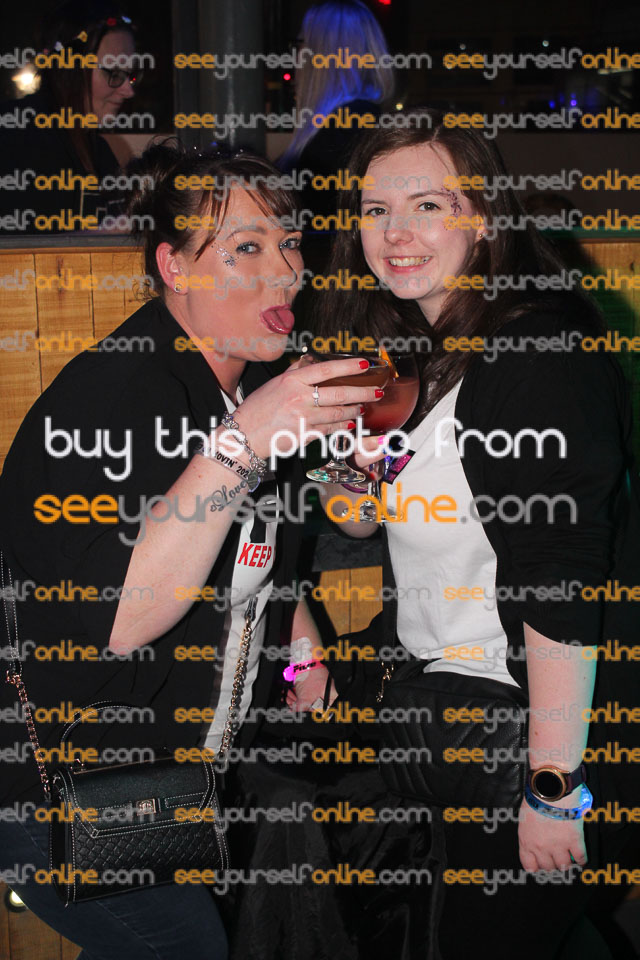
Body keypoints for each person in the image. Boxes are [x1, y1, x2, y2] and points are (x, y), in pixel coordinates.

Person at [0, 142, 381, 960]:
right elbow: (123, 620)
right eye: (245, 248)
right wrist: (245, 441)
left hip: (171, 782)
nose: (285, 272)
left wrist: (302, 645)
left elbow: (332, 525)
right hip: (57, 792)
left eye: (289, 243)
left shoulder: (249, 389)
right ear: (174, 267)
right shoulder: (115, 396)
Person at [307, 112, 640, 959]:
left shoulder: (535, 354)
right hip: (449, 722)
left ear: (484, 217)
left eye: (427, 204)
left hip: (534, 736)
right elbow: (361, 518)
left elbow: (564, 586)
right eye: (376, 210)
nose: (397, 233)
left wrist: (554, 787)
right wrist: (352, 469)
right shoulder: (416, 353)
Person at [279, 0, 394, 330]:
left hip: (336, 308)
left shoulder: (348, 128)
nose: (295, 56)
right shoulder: (354, 123)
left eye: (301, 44)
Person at [0, 0, 142, 234]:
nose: (128, 90)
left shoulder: (99, 152)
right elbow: (20, 248)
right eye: (115, 73)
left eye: (131, 75)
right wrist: (104, 234)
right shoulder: (15, 137)